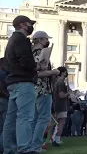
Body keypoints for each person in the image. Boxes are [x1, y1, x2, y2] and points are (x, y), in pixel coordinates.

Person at [2, 15, 47, 154]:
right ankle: (24, 148)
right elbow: (26, 62)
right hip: (23, 82)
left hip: (13, 82)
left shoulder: (12, 40)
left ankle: (8, 149)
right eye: (29, 24)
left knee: (10, 119)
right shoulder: (21, 39)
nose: (31, 26)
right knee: (25, 117)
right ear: (22, 25)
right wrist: (39, 66)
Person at [30, 31, 60, 152]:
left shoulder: (31, 52)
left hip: (35, 89)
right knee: (43, 118)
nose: (47, 42)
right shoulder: (39, 53)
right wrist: (53, 72)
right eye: (46, 39)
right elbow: (38, 73)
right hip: (42, 89)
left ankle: (31, 144)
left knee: (35, 119)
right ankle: (36, 145)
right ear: (41, 39)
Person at [52, 67, 69, 147]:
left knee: (57, 123)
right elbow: (61, 95)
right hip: (61, 105)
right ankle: (56, 139)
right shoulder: (61, 82)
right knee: (61, 122)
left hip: (58, 104)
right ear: (63, 72)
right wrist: (68, 93)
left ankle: (55, 138)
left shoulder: (57, 82)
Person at [0, 58, 9, 153]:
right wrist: (8, 96)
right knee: (6, 126)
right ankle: (2, 148)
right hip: (4, 100)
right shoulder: (3, 75)